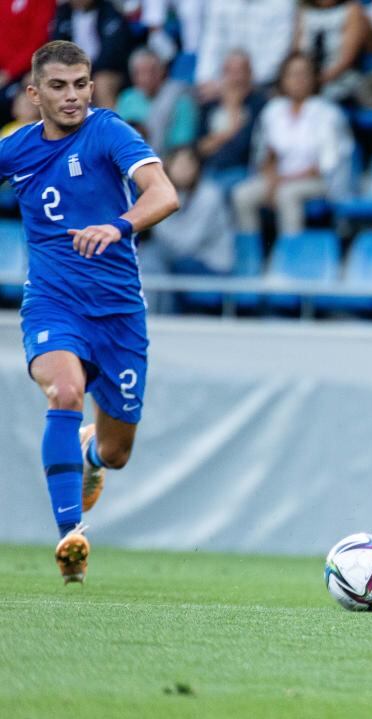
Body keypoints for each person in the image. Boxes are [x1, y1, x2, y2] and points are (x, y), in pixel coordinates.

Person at [0, 41, 179, 583]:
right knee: (65, 392)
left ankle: (90, 456)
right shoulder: (17, 149)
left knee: (117, 451)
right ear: (34, 94)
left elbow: (164, 194)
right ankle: (70, 536)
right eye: (58, 86)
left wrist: (117, 224)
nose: (72, 95)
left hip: (120, 314)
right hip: (54, 302)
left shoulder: (109, 132)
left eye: (80, 83)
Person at [232, 52, 353, 240]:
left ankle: (291, 257)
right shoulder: (273, 111)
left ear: (314, 78)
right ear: (283, 79)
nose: (297, 80)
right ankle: (251, 257)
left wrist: (284, 180)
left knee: (286, 195)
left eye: (303, 74)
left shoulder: (328, 114)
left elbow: (327, 166)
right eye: (291, 74)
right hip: (280, 178)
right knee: (242, 195)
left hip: (317, 182)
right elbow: (266, 153)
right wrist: (272, 178)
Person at [140, 147, 234, 276]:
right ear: (169, 166)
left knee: (152, 259)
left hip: (210, 265)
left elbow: (187, 245)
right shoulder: (164, 193)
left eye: (189, 164)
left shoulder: (209, 195)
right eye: (179, 164)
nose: (184, 170)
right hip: (177, 260)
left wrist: (157, 209)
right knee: (146, 259)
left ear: (198, 168)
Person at [196, 50, 266, 192]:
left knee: (212, 195)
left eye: (240, 71)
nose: (235, 78)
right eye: (229, 72)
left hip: (243, 171)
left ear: (250, 74)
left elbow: (243, 148)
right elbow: (199, 148)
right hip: (208, 171)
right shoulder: (210, 105)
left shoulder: (258, 104)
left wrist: (234, 107)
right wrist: (228, 132)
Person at [115, 48, 199, 156]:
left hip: (168, 159)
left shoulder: (180, 98)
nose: (146, 78)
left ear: (162, 71)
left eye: (151, 71)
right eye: (139, 73)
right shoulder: (127, 98)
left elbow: (182, 143)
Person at [293, 0, 369, 102]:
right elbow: (296, 53)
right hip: (306, 80)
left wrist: (317, 82)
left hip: (341, 79)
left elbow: (347, 59)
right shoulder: (304, 10)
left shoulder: (352, 9)